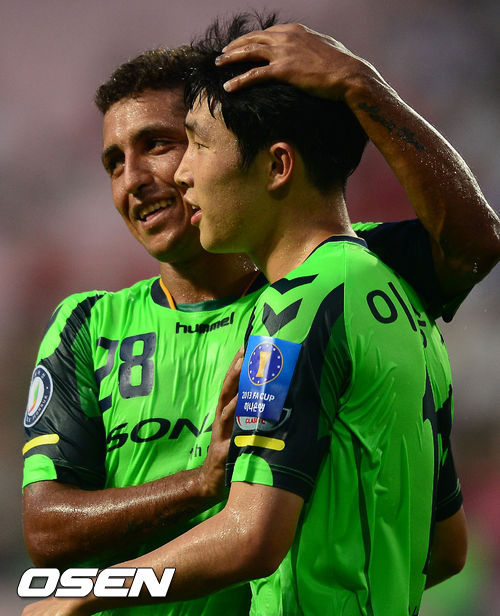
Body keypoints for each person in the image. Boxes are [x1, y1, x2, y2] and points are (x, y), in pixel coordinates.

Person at [22, 14, 499, 616]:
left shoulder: (324, 286)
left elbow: (475, 243)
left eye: (166, 144)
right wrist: (199, 484)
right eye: (114, 162)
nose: (135, 179)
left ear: (266, 156)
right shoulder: (88, 324)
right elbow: (46, 532)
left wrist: (361, 85)